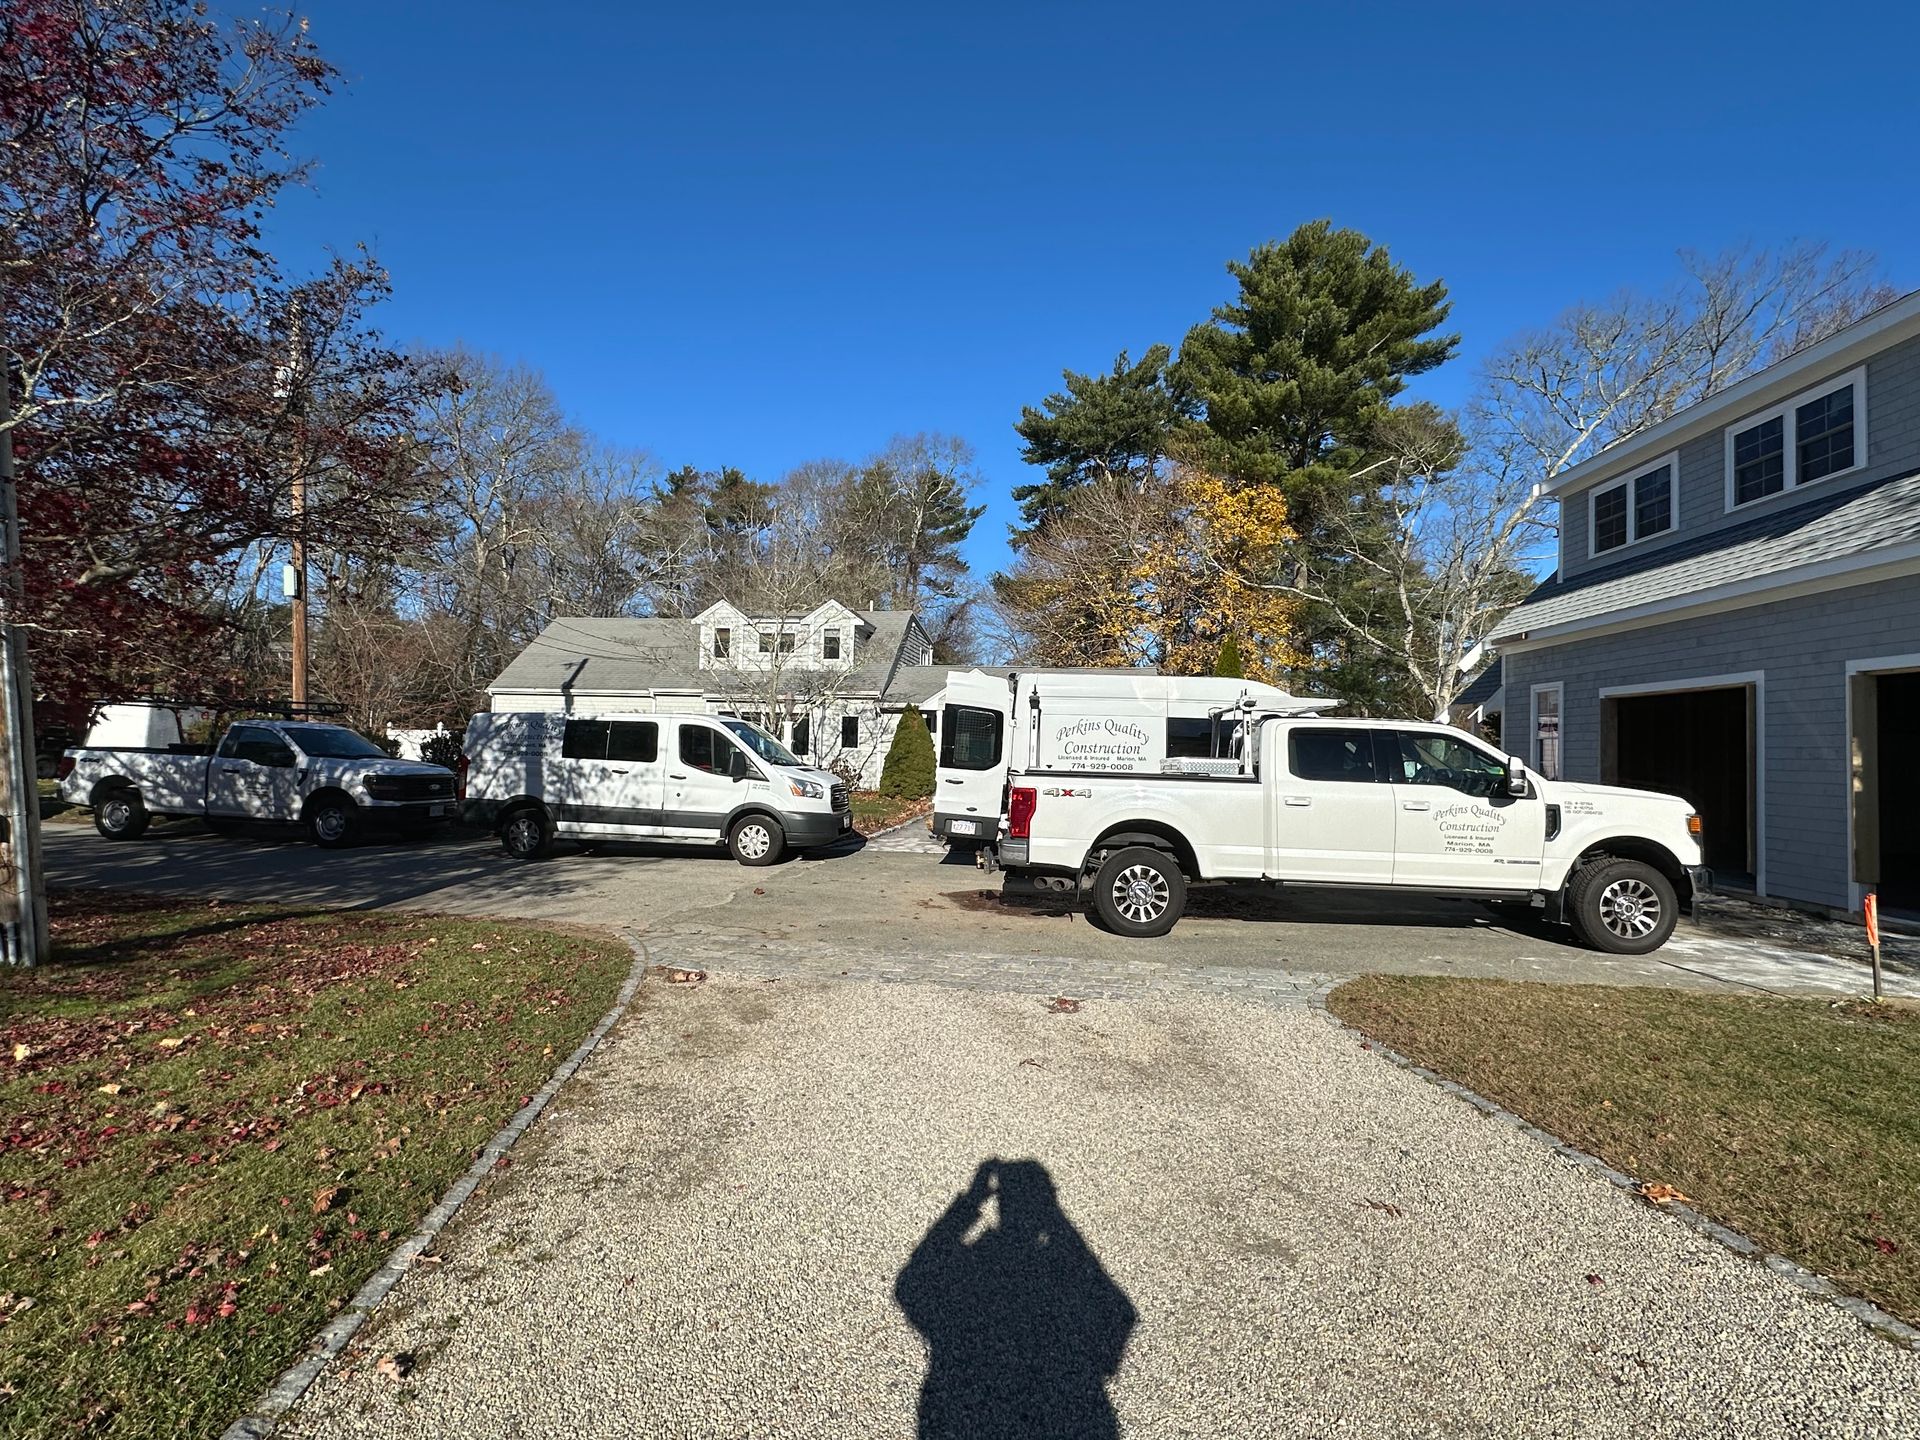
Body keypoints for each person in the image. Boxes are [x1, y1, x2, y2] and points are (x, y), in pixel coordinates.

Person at [895, 1159, 1136, 1440]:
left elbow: (912, 1283)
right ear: (1046, 1206)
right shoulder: (1059, 1272)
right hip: (1056, 1417)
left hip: (966, 1414)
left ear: (999, 1203)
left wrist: (970, 1202)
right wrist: (1057, 1221)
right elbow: (1118, 1313)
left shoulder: (970, 1269)